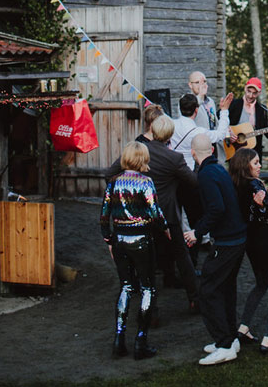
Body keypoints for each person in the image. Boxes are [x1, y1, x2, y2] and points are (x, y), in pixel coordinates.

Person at [106, 114, 200, 312]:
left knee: (149, 262)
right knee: (182, 256)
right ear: (170, 136)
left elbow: (109, 174)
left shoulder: (138, 152)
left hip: (141, 216)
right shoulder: (174, 158)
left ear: (153, 130)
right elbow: (193, 183)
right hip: (168, 214)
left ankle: (152, 310)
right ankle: (194, 299)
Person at [100, 141, 169, 360]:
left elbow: (104, 214)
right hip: (141, 239)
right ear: (143, 159)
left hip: (120, 238)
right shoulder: (145, 182)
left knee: (126, 287)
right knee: (148, 288)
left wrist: (109, 239)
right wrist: (166, 228)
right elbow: (155, 210)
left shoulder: (113, 182)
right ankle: (141, 340)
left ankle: (119, 339)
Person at [184, 133, 247, 366]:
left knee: (208, 290)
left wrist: (196, 232)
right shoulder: (219, 168)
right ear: (211, 151)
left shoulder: (207, 175)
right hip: (237, 238)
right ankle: (231, 339)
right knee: (226, 289)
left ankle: (224, 344)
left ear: (193, 154)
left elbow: (216, 208)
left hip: (228, 242)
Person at [228, 148, 268, 354]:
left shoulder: (238, 184)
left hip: (251, 242)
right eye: (256, 163)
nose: (260, 166)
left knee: (261, 283)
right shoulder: (254, 183)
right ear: (246, 165)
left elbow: (258, 203)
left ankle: (243, 328)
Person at [170, 91, 233, 168]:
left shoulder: (171, 125)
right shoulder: (198, 132)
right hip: (188, 168)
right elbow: (220, 135)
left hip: (172, 165)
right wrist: (224, 111)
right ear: (196, 110)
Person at [228, 77, 268, 163]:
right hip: (235, 152)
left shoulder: (261, 110)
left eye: (254, 93)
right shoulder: (233, 104)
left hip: (254, 154)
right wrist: (228, 133)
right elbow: (219, 120)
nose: (250, 96)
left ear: (259, 93)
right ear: (245, 88)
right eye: (249, 91)